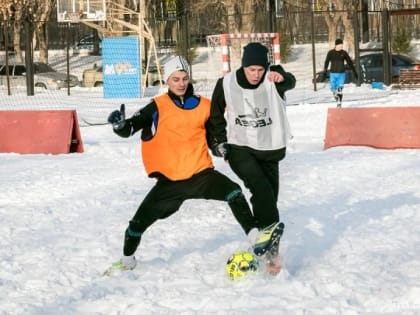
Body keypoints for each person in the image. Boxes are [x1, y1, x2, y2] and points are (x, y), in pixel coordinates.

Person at [105, 56, 256, 274]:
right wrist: (118, 124)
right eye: (175, 79)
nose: (181, 83)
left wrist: (220, 147)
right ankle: (127, 261)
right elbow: (129, 128)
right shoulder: (157, 106)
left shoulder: (205, 106)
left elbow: (215, 138)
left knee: (234, 192)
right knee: (136, 226)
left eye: (184, 78)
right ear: (167, 80)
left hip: (200, 175)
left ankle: (255, 239)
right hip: (170, 183)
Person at [207, 42, 296, 273]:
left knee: (268, 200)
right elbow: (215, 114)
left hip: (269, 149)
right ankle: (269, 250)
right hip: (240, 147)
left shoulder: (273, 77)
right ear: (243, 66)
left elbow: (290, 81)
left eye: (260, 69)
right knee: (260, 187)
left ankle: (268, 250)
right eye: (251, 70)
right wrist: (218, 144)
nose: (256, 75)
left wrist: (279, 76)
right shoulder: (226, 83)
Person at [323, 38, 358, 107]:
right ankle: (334, 93)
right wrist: (325, 70)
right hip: (333, 74)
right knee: (333, 88)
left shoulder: (344, 53)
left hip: (341, 74)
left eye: (342, 45)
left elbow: (349, 62)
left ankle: (339, 103)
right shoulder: (331, 53)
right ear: (336, 45)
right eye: (340, 45)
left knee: (340, 89)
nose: (341, 46)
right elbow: (326, 61)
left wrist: (354, 71)